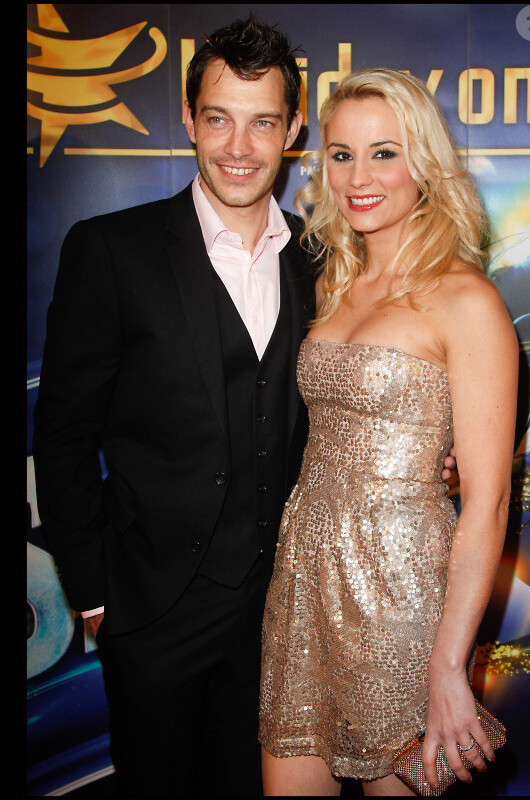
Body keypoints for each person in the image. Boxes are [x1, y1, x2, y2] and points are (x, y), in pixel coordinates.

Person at [32, 16, 456, 796]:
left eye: (262, 122)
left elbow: (414, 366)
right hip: (152, 613)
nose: (238, 146)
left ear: (292, 130)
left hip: (289, 613)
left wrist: (444, 444)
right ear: (190, 120)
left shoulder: (328, 260)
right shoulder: (110, 251)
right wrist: (95, 595)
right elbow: (61, 434)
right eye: (219, 118)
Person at [259, 68, 519, 796]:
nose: (358, 176)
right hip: (305, 575)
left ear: (424, 165)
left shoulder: (465, 298)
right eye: (341, 155)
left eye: (384, 152)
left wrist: (448, 666)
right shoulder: (333, 281)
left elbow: (489, 502)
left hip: (401, 590)